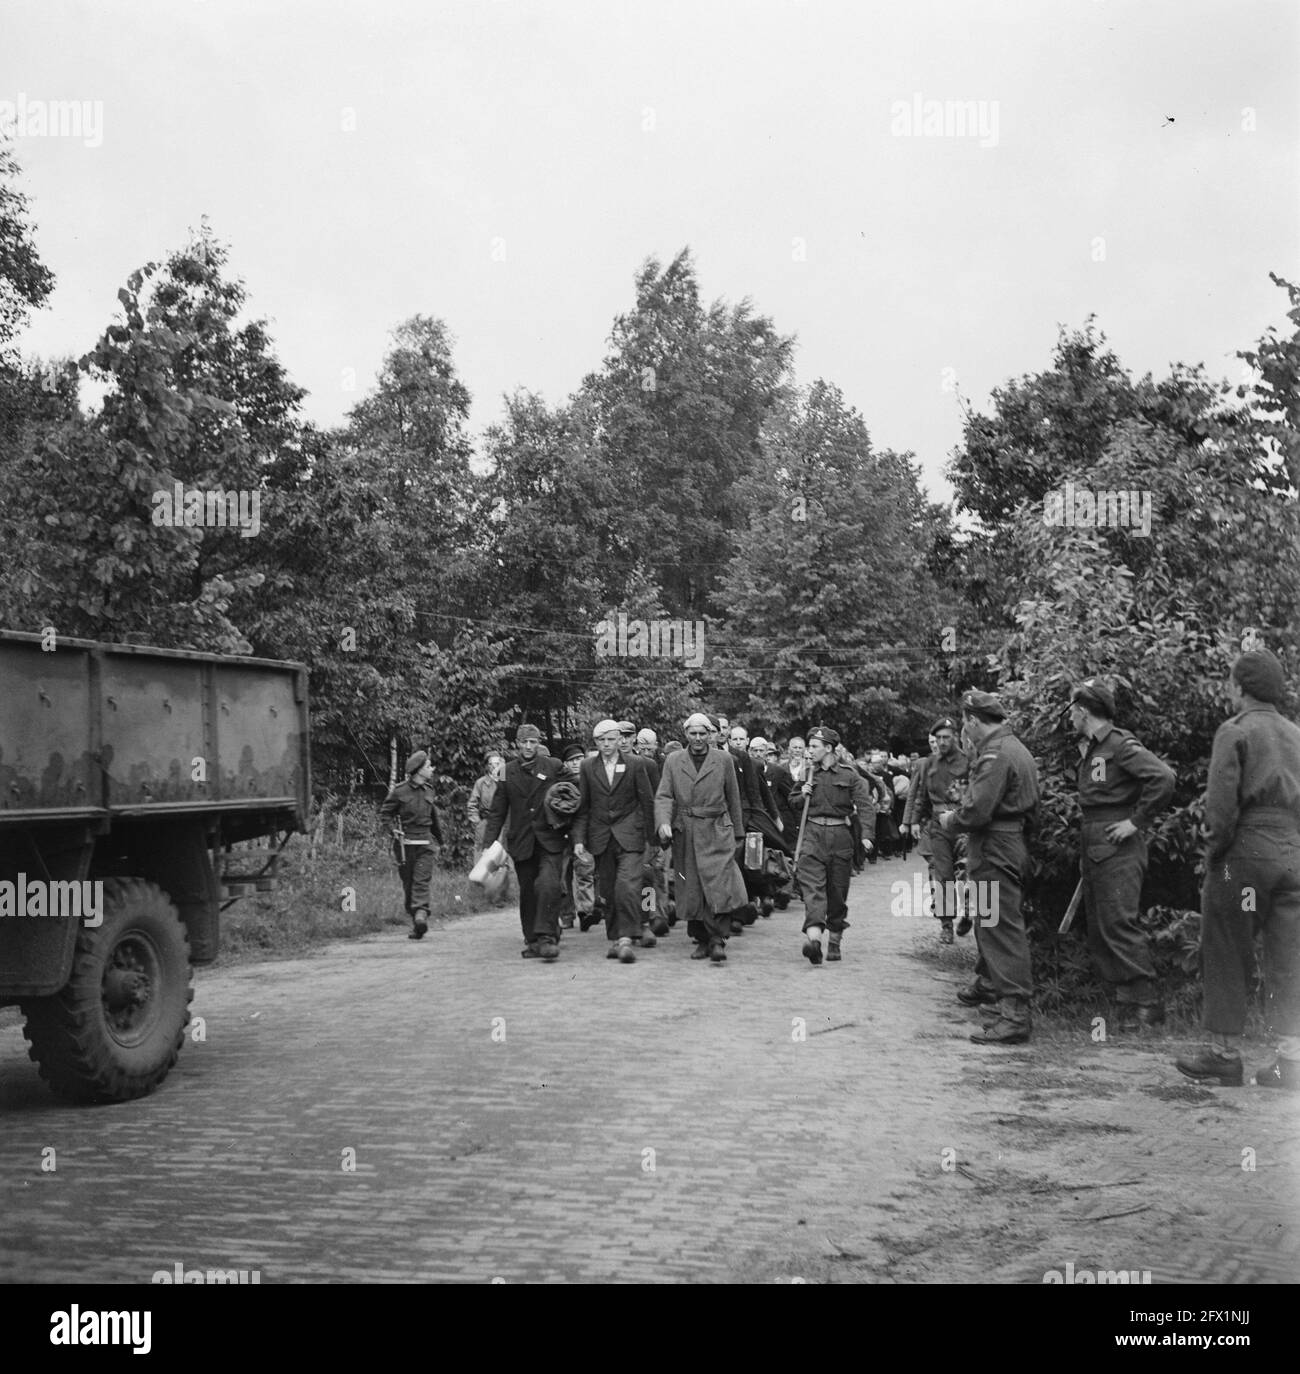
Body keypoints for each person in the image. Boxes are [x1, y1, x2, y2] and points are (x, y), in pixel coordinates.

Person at [1176, 650, 1300, 1090]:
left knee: (1227, 947)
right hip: (1292, 855)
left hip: (1244, 853)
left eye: (1231, 683)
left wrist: (1214, 857)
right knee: (1289, 957)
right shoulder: (1295, 734)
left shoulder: (1235, 731)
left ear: (1242, 688)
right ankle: (1290, 1061)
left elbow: (1221, 808)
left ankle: (1225, 1056)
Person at [1068, 678, 1176, 1029]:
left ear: (1083, 711)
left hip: (1116, 844)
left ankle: (1148, 1003)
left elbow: (1164, 778)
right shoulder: (1095, 747)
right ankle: (1129, 1002)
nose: (1069, 718)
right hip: (1096, 841)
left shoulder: (1120, 745)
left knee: (1118, 922)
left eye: (1072, 711)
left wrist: (1136, 822)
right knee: (1101, 925)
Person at [940, 692, 1040, 1044]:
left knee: (1000, 928)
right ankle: (1001, 1002)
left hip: (995, 846)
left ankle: (1014, 1016)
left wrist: (951, 819)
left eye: (965, 723)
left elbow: (977, 810)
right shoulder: (1014, 748)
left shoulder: (996, 754)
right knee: (991, 923)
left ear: (972, 721)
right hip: (1006, 844)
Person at [655, 712, 749, 962]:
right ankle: (701, 938)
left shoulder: (724, 759)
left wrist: (738, 832)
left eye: (702, 733)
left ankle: (717, 939)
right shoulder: (674, 760)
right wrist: (663, 822)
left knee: (718, 884)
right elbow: (664, 795)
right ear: (685, 734)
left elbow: (733, 797)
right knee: (692, 886)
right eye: (693, 733)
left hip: (718, 828)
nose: (697, 738)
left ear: (710, 735)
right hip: (686, 831)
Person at [572, 719, 657, 964]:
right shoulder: (588, 767)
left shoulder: (636, 764)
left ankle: (629, 937)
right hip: (601, 838)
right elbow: (584, 807)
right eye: (602, 740)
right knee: (608, 891)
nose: (607, 744)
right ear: (595, 742)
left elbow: (647, 801)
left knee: (628, 887)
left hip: (631, 836)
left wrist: (652, 839)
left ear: (620, 740)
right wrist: (579, 839)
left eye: (611, 739)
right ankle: (615, 938)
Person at [482, 724, 566, 961]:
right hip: (522, 841)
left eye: (533, 742)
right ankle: (532, 940)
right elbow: (498, 810)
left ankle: (548, 937)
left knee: (548, 885)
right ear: (516, 744)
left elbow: (574, 792)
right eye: (524, 742)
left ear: (539, 743)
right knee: (528, 891)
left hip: (550, 839)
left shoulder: (554, 766)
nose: (529, 747)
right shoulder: (506, 771)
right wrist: (489, 843)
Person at [795, 727, 875, 965]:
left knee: (837, 894)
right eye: (808, 747)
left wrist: (867, 835)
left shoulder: (850, 775)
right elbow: (793, 802)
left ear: (828, 748)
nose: (809, 752)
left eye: (814, 747)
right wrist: (802, 793)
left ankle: (835, 941)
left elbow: (865, 806)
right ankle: (815, 941)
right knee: (813, 891)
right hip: (812, 836)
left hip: (841, 836)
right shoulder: (807, 773)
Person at [908, 718, 971, 943]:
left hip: (965, 825)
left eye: (947, 737)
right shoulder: (928, 764)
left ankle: (971, 913)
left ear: (955, 736)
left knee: (970, 873)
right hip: (938, 826)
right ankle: (946, 924)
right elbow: (921, 796)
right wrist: (915, 821)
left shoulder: (969, 761)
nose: (942, 742)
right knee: (942, 876)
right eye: (939, 738)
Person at [379, 750, 445, 940]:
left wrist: (441, 842)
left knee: (421, 880)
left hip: (426, 844)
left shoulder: (430, 791)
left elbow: (434, 820)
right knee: (408, 883)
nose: (432, 769)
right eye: (428, 766)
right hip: (404, 846)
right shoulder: (399, 792)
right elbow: (386, 815)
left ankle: (421, 913)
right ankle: (416, 920)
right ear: (418, 770)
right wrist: (393, 830)